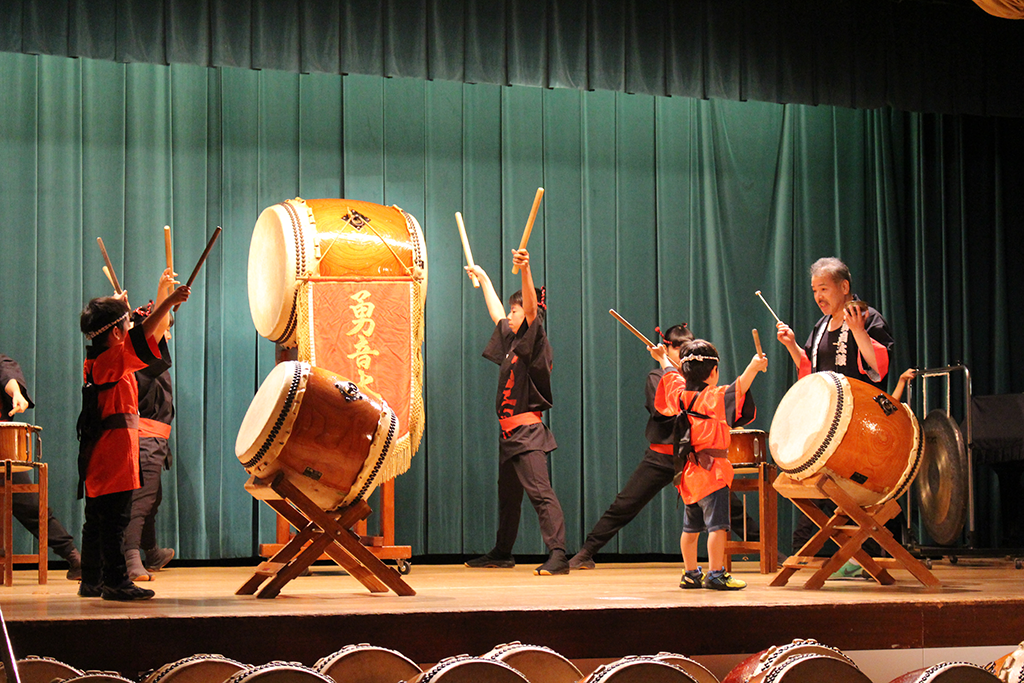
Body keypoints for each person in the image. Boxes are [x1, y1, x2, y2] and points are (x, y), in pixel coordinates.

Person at [775, 257, 895, 575]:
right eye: (815, 290)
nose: (818, 296)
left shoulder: (867, 318)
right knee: (826, 485)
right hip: (829, 421)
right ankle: (823, 551)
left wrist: (857, 331)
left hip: (862, 419)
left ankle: (862, 554)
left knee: (854, 487)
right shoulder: (821, 326)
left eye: (824, 289)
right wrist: (792, 346)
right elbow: (811, 372)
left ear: (844, 287)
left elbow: (879, 368)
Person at [77, 270, 189, 600]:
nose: (129, 327)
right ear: (115, 332)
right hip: (113, 453)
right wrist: (168, 300)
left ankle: (91, 580)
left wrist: (121, 310)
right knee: (115, 519)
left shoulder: (98, 359)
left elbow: (134, 334)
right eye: (124, 324)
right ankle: (115, 582)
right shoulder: (112, 359)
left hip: (99, 451)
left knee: (96, 520)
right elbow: (141, 337)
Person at [462, 249, 570, 576]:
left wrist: (525, 268)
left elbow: (533, 309)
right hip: (509, 434)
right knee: (508, 498)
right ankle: (502, 552)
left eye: (515, 310)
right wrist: (484, 279)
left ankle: (558, 554)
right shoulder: (512, 342)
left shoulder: (535, 342)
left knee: (540, 494)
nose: (509, 315)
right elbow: (496, 314)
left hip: (527, 434)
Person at [568, 324, 694, 570]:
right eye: (678, 348)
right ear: (666, 348)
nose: (682, 354)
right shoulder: (658, 377)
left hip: (691, 457)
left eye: (687, 349)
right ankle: (586, 552)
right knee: (625, 505)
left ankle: (767, 549)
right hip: (661, 456)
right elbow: (663, 411)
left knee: (726, 505)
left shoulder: (696, 379)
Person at [653, 339, 767, 590]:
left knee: (690, 529)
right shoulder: (712, 398)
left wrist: (662, 358)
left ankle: (690, 573)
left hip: (690, 475)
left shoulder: (679, 396)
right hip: (712, 473)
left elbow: (671, 377)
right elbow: (738, 389)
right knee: (718, 528)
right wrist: (754, 366)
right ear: (714, 371)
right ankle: (716, 573)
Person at [0, 354, 82, 580]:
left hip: (2, 451)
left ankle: (73, 557)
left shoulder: (1, 363)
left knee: (31, 507)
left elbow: (7, 374)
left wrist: (16, 393)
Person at [123, 302, 176, 582]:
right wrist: (165, 295)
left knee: (152, 500)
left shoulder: (144, 360)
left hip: (154, 439)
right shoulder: (143, 361)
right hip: (143, 439)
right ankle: (131, 558)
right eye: (165, 329)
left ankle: (152, 552)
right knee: (141, 501)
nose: (168, 335)